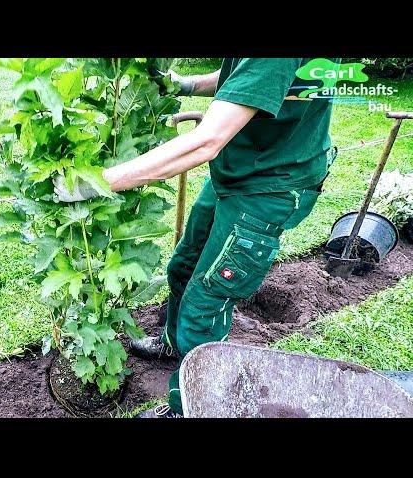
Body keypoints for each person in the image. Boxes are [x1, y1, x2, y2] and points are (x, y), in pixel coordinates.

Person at [53, 58, 340, 418]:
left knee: (206, 301)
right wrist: (186, 85)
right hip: (238, 172)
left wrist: (95, 182)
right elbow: (246, 77)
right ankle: (173, 345)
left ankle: (187, 407)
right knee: (183, 267)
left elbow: (206, 141)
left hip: (269, 186)